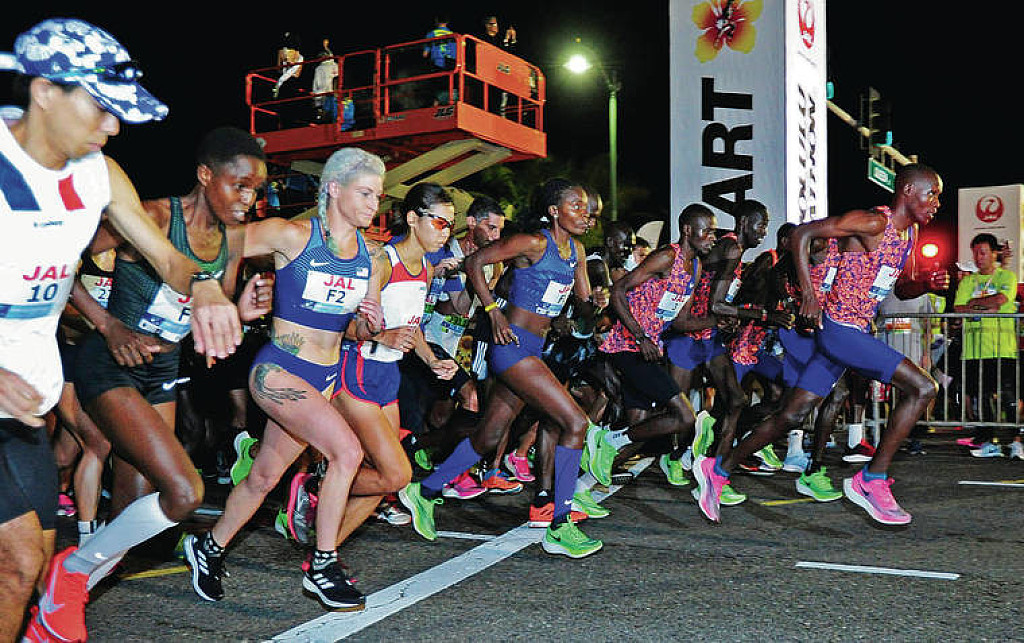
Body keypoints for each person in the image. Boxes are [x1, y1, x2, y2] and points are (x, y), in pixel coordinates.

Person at [0, 18, 243, 642]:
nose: (112, 127)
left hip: (26, 398)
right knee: (18, 562)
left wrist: (205, 286)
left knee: (30, 568)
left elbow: (167, 257)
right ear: (44, 92)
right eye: (102, 108)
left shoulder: (99, 174)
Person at [183, 147, 386, 612]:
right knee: (347, 452)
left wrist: (369, 324)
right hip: (278, 370)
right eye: (365, 193)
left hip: (324, 378)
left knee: (264, 477)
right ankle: (323, 565)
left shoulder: (372, 259)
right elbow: (214, 244)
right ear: (334, 189)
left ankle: (208, 547)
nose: (374, 204)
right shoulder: (291, 235)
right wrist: (225, 296)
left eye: (377, 195)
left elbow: (356, 330)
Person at [695, 164, 947, 526]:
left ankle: (717, 469)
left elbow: (901, 288)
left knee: (791, 415)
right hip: (840, 331)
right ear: (908, 191)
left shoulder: (910, 234)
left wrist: (926, 285)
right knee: (923, 387)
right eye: (931, 193)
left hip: (851, 333)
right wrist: (810, 296)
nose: (936, 202)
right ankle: (871, 480)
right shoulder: (874, 222)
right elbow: (802, 233)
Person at [399, 178, 605, 559]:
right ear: (554, 211)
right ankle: (560, 524)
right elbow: (475, 262)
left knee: (489, 436)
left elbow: (582, 305)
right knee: (576, 423)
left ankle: (424, 490)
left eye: (586, 208)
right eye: (576, 206)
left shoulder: (575, 251)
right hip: (511, 349)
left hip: (534, 349)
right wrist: (493, 311)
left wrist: (594, 305)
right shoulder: (533, 243)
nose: (585, 214)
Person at [329, 182, 458, 545]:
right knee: (396, 474)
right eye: (439, 223)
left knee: (385, 476)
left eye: (450, 225)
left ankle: (324, 551)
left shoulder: (426, 269)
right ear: (413, 219)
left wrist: (432, 360)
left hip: (388, 375)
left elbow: (411, 328)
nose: (446, 232)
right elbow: (338, 322)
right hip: (357, 369)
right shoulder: (382, 263)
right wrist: (382, 337)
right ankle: (317, 485)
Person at [584, 204, 716, 490]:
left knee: (639, 430)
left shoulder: (695, 267)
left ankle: (580, 486)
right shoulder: (667, 256)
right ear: (687, 230)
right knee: (684, 416)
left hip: (649, 348)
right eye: (707, 231)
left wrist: (718, 321)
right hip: (627, 345)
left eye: (713, 232)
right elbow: (618, 291)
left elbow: (680, 321)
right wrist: (640, 336)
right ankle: (607, 440)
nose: (712, 237)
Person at [953, 233, 1019, 456]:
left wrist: (973, 304)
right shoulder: (968, 281)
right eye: (975, 253)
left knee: (1008, 395)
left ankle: (1016, 441)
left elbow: (1001, 300)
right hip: (973, 350)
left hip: (1002, 347)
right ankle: (987, 441)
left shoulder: (1006, 276)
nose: (978, 257)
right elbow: (958, 308)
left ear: (994, 253)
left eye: (983, 252)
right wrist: (984, 306)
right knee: (980, 396)